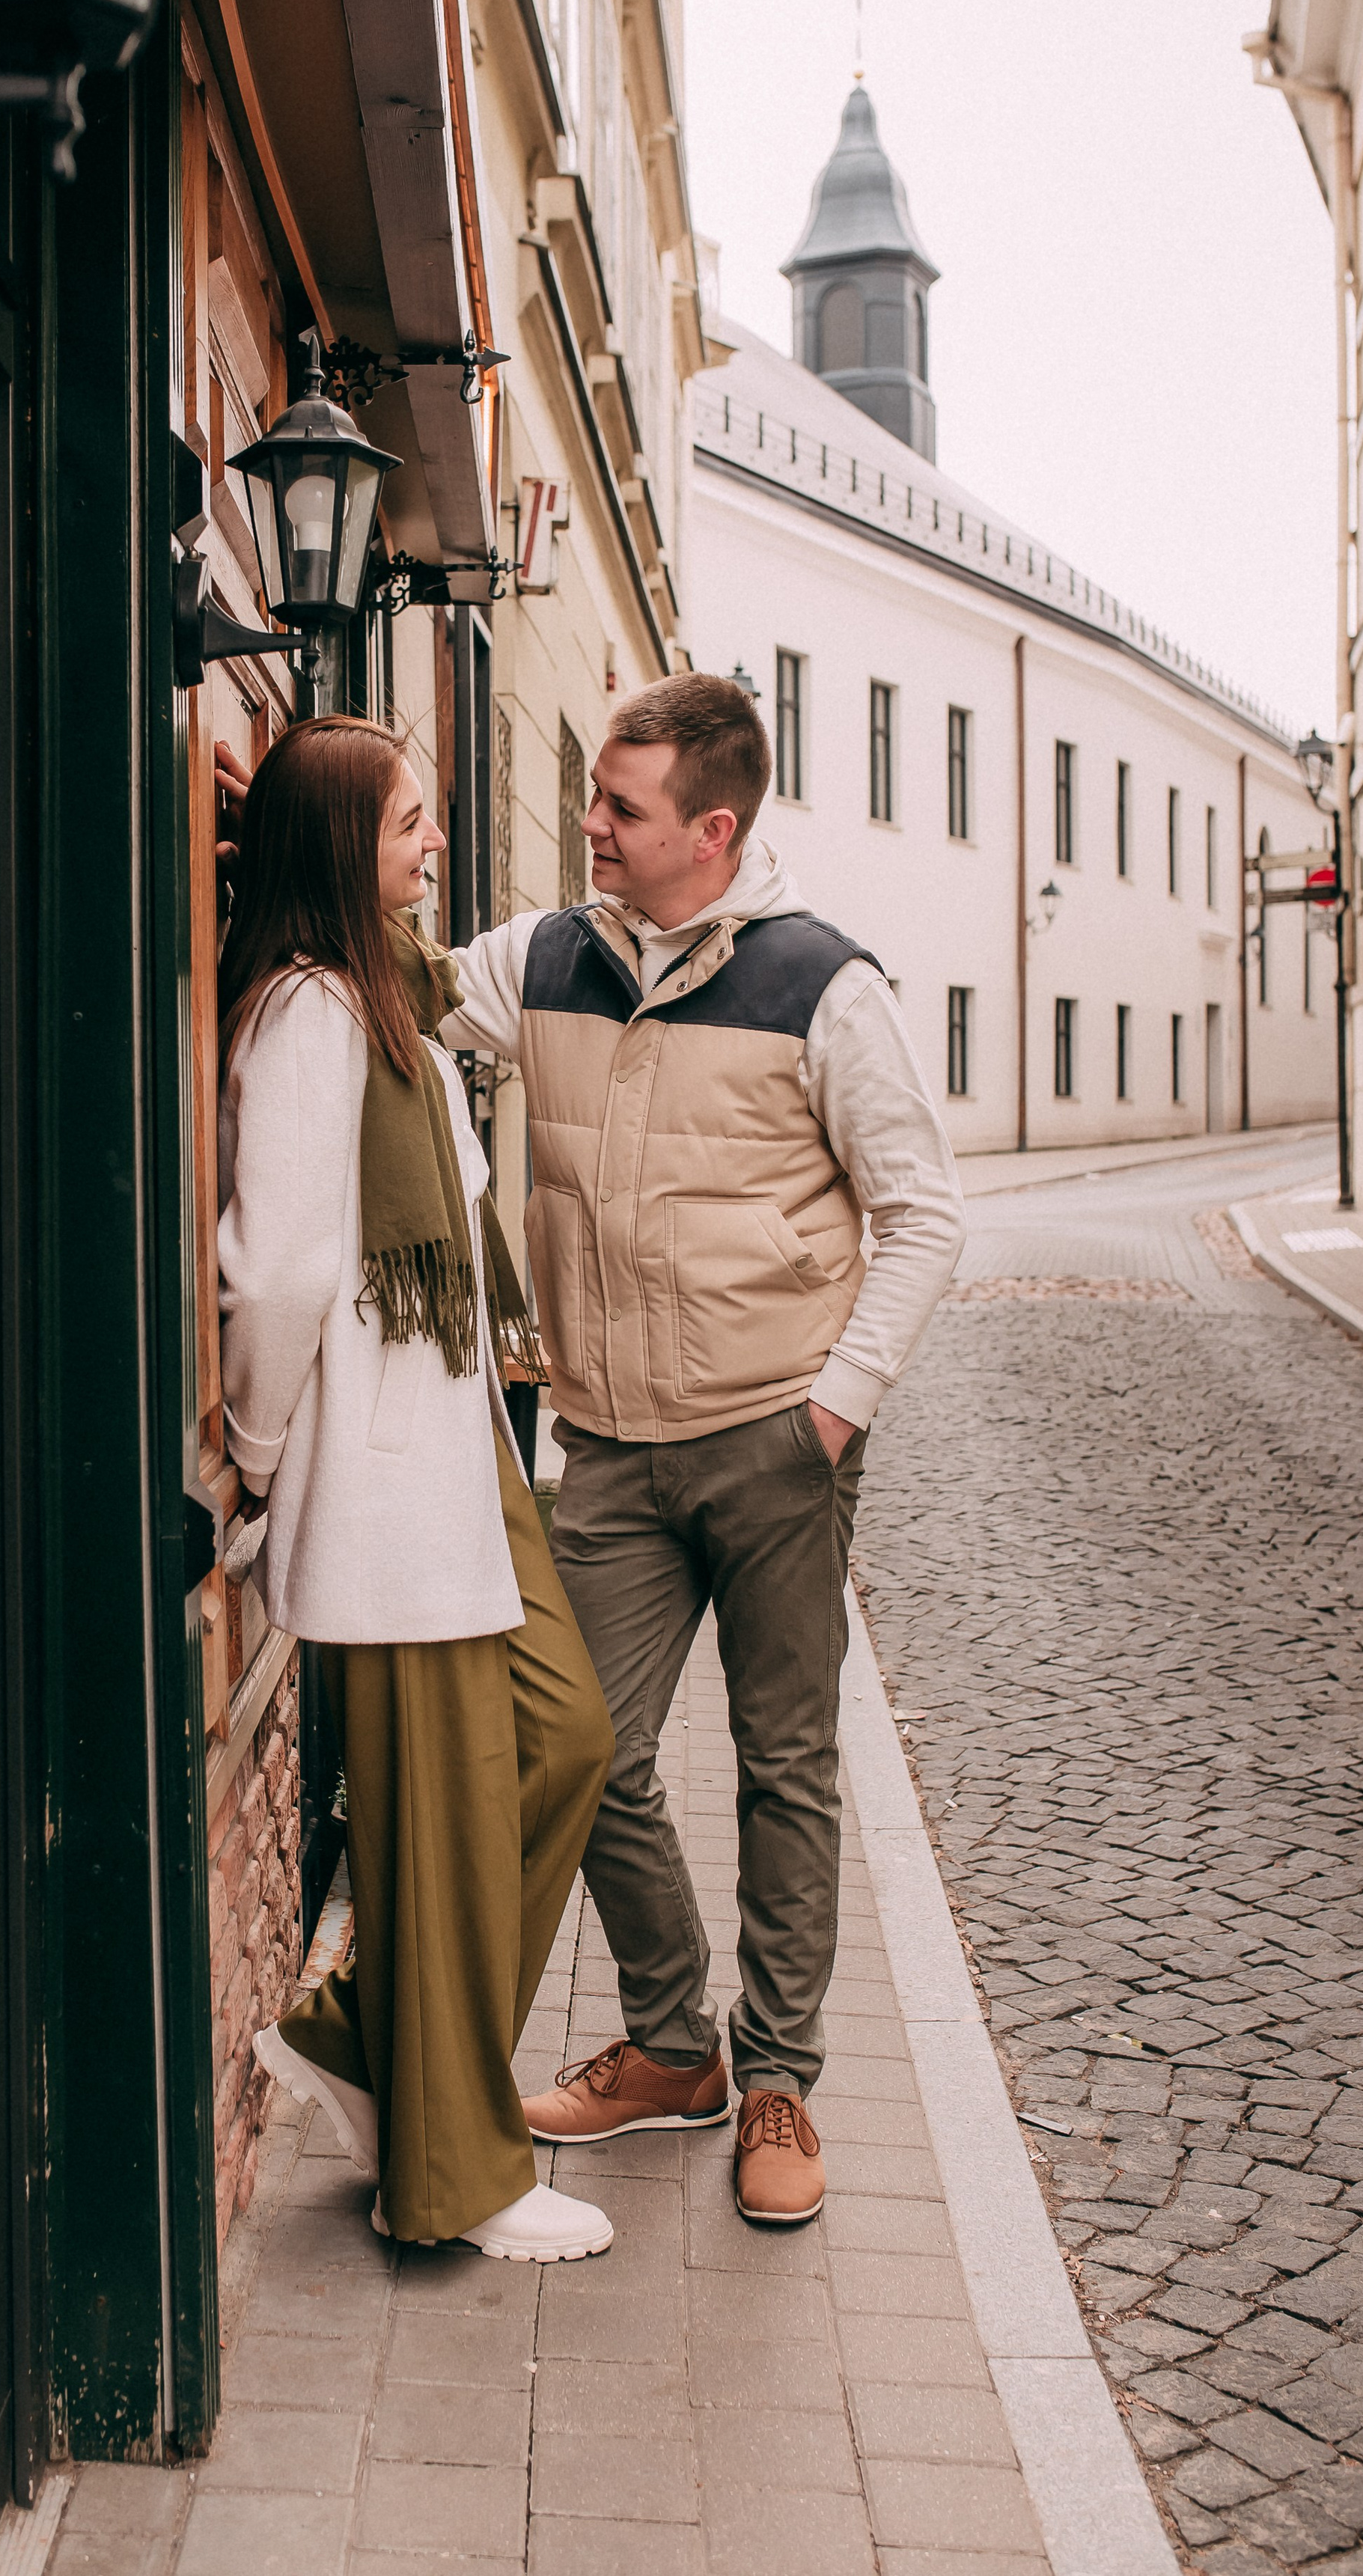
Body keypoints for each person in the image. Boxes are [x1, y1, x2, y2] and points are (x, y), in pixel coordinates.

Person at [439, 675, 966, 2226]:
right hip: (604, 1449)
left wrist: (829, 1409)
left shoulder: (822, 985)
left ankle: (779, 2076)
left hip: (772, 1444)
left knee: (782, 1765)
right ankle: (672, 2045)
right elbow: (390, 984)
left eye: (620, 809)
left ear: (711, 829)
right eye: (594, 798)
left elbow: (921, 1211)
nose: (588, 828)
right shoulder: (540, 957)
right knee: (583, 1748)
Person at [218, 715, 616, 2262]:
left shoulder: (388, 995)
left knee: (563, 1739)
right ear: (339, 844)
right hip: (386, 1488)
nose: (432, 846)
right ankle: (453, 2173)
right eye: (408, 826)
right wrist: (255, 1466)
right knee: (441, 1820)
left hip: (461, 1463)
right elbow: (281, 1274)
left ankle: (358, 2035)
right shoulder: (311, 1016)